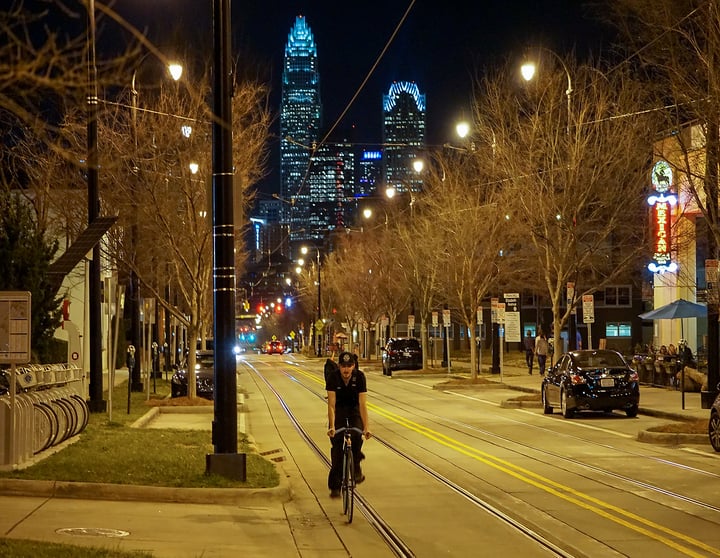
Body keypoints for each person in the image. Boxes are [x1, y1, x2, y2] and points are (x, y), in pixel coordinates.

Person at [325, 351, 371, 498]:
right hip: (338, 410)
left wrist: (366, 427)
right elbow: (331, 405)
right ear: (339, 366)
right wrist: (332, 426)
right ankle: (335, 485)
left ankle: (356, 468)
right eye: (343, 366)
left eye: (349, 366)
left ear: (354, 366)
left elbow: (362, 404)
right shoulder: (333, 377)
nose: (346, 369)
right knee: (337, 449)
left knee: (357, 436)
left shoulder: (360, 377)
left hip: (354, 410)